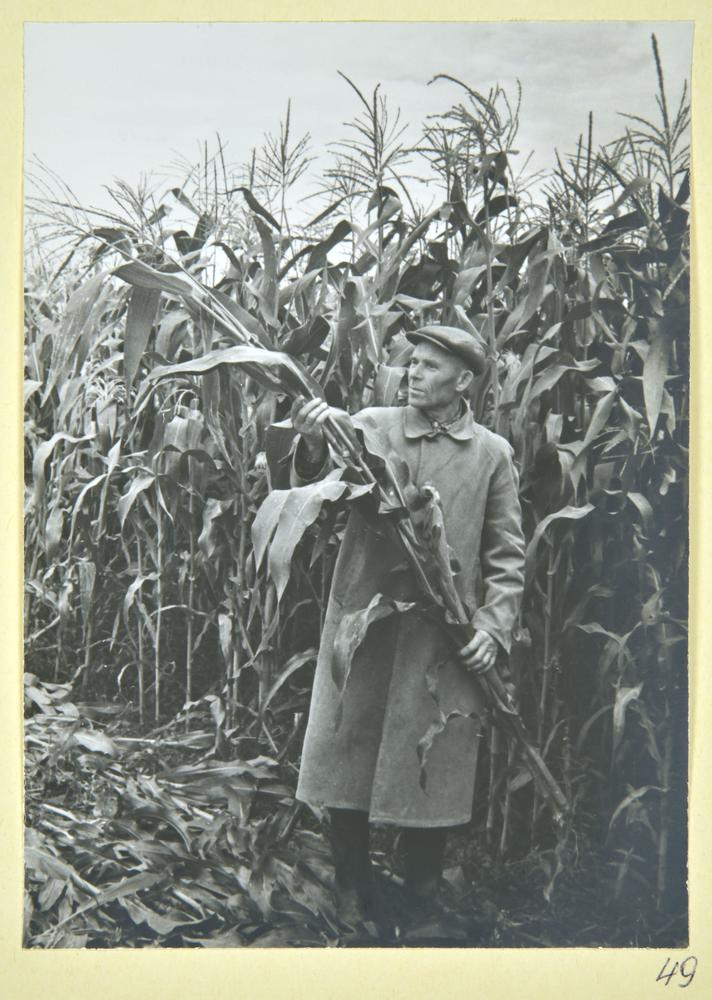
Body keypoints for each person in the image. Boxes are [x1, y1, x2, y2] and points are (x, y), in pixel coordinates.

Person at [289, 325, 526, 926]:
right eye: (411, 363)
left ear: (464, 380)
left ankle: (421, 892)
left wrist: (492, 628)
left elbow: (507, 555)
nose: (412, 374)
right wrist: (312, 442)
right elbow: (313, 490)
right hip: (364, 625)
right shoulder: (371, 425)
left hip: (443, 634)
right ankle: (352, 886)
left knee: (435, 757)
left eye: (428, 366)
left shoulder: (492, 454)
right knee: (347, 748)